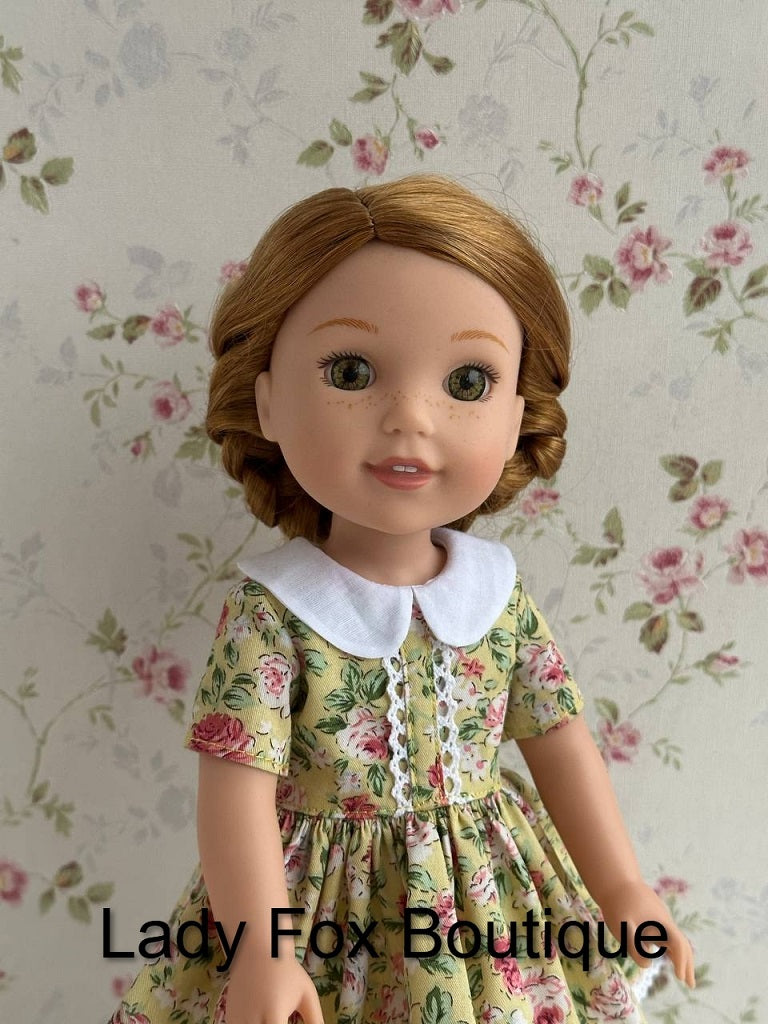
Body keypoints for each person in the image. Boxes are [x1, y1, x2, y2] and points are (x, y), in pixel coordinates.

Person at [110, 175, 694, 1024]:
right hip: (319, 915)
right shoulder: (276, 613)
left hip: (491, 908)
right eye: (352, 372)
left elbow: (561, 741)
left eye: (468, 382)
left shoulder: (496, 596)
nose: (409, 417)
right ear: (267, 399)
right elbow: (236, 795)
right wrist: (263, 953)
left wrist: (621, 885)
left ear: (518, 414)